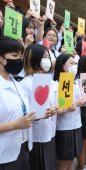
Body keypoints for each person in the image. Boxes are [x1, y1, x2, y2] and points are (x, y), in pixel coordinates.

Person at [20, 44, 59, 170]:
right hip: (36, 137)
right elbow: (23, 114)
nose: (48, 60)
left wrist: (54, 109)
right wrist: (40, 115)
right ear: (34, 59)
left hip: (50, 132)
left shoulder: (47, 80)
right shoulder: (25, 84)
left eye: (48, 56)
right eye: (44, 57)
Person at [0, 36, 36, 170]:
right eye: (15, 55)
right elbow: (16, 121)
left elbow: (22, 112)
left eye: (21, 56)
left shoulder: (17, 84)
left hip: (24, 147)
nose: (19, 60)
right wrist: (15, 125)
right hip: (4, 154)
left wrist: (42, 114)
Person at [53, 54, 86, 170]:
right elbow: (58, 110)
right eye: (71, 63)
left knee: (71, 159)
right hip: (64, 128)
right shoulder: (57, 84)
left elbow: (81, 100)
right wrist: (77, 104)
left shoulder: (74, 83)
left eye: (75, 63)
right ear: (62, 66)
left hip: (76, 125)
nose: (74, 66)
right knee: (64, 162)